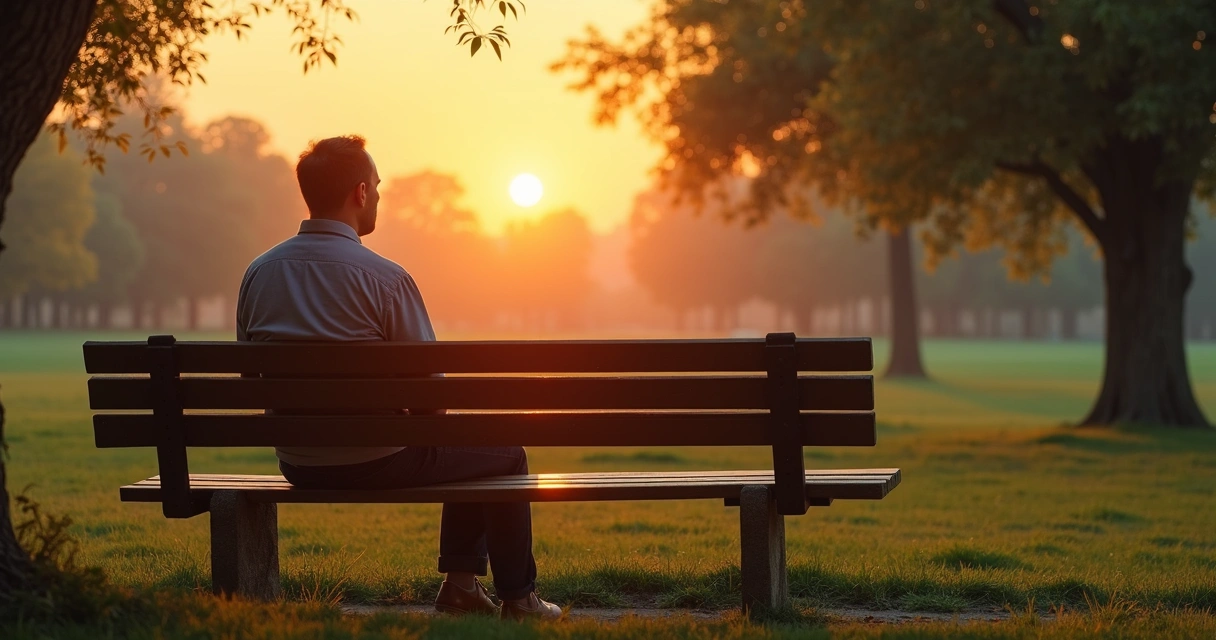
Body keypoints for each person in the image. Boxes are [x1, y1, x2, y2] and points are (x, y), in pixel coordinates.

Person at [235, 135, 560, 620]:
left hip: (298, 462)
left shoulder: (259, 273)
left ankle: (464, 589)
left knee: (474, 448)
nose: (380, 197)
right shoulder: (385, 278)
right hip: (377, 458)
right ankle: (516, 597)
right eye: (378, 187)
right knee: (503, 452)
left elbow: (248, 379)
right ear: (361, 193)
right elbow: (433, 398)